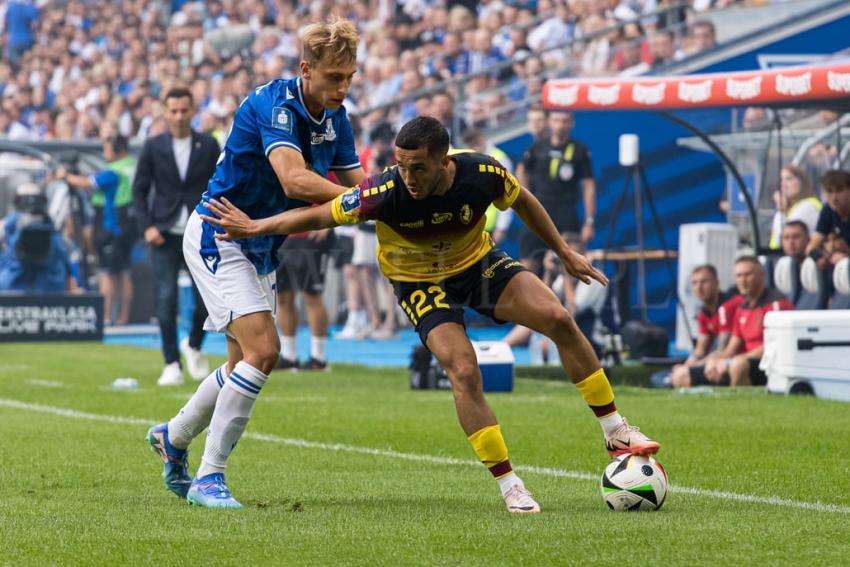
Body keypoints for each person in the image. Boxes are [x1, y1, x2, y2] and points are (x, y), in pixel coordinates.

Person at [202, 116, 661, 515]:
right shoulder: (383, 191)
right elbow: (321, 215)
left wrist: (563, 252)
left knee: (560, 319)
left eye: (417, 167)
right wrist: (257, 226)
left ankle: (615, 429)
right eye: (401, 165)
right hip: (419, 281)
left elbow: (522, 200)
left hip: (475, 264)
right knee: (463, 369)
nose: (407, 176)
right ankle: (510, 484)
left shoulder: (482, 172)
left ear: (445, 162)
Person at [145, 19, 364, 509]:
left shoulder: (336, 116)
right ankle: (208, 478)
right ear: (306, 69)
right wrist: (366, 201)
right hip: (220, 233)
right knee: (265, 351)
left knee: (241, 363)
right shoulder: (275, 105)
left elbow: (359, 183)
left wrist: (383, 198)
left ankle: (173, 436)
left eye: (350, 76)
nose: (343, 87)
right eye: (334, 77)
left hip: (260, 243)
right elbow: (295, 180)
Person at [132, 87, 220, 386]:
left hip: (199, 234)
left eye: (184, 110)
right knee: (166, 298)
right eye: (173, 111)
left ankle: (193, 346)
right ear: (165, 112)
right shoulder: (153, 147)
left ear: (193, 110)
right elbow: (139, 191)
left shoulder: (208, 145)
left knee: (207, 300)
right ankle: (171, 363)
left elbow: (219, 185)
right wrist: (147, 226)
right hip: (164, 235)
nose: (179, 116)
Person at [57, 134, 137, 325]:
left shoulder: (114, 171)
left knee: (106, 271)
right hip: (129, 222)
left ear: (118, 150)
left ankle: (107, 316)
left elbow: (88, 183)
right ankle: (123, 317)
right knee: (124, 271)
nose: (104, 152)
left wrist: (65, 176)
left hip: (112, 223)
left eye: (107, 148)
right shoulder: (132, 165)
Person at [518, 111, 596, 276]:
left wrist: (589, 221)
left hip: (566, 210)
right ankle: (528, 299)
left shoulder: (579, 150)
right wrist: (526, 198)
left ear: (572, 123)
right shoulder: (537, 147)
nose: (561, 125)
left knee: (571, 261)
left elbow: (589, 186)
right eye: (557, 120)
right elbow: (521, 170)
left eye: (565, 121)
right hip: (539, 208)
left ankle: (569, 301)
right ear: (549, 122)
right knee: (528, 261)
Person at [703, 256, 794, 387]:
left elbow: (774, 345)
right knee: (683, 375)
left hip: (770, 364)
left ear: (762, 276)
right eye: (739, 276)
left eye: (748, 275)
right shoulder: (742, 308)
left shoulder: (777, 304)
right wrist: (716, 359)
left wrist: (733, 360)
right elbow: (731, 348)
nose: (743, 281)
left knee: (737, 365)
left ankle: (739, 404)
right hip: (743, 361)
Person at [669, 265, 742, 388]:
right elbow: (699, 351)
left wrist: (693, 367)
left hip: (735, 360)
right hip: (724, 359)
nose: (699, 287)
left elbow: (723, 350)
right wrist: (686, 366)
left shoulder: (729, 305)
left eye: (704, 282)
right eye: (695, 283)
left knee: (681, 376)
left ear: (717, 283)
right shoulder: (703, 313)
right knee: (676, 373)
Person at [274, 224, 335, 370]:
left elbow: (337, 199)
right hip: (282, 234)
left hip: (311, 233)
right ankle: (289, 356)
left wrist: (327, 225)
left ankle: (318, 357)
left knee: (312, 296)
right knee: (283, 297)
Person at [0, 182, 77, 293]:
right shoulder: (10, 223)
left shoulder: (50, 225)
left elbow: (65, 258)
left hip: (44, 287)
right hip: (17, 286)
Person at [768, 165, 821, 250]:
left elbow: (783, 235)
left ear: (801, 182)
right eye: (782, 180)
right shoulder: (792, 207)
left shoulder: (807, 206)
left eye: (789, 179)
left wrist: (781, 209)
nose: (783, 185)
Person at [807, 170, 850, 267]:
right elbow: (811, 247)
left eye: (839, 190)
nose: (834, 197)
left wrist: (846, 255)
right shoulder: (828, 210)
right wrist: (821, 256)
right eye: (829, 191)